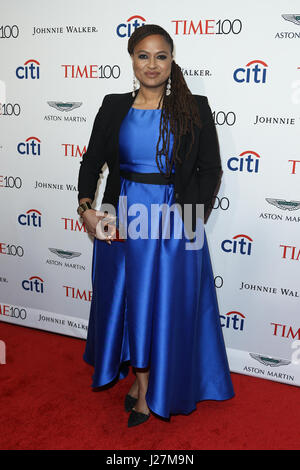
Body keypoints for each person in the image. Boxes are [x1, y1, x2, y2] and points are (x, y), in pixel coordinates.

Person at [77, 24, 234, 427]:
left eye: (160, 56)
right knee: (130, 302)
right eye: (143, 55)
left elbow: (210, 169)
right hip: (125, 219)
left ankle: (150, 387)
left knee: (165, 307)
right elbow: (92, 161)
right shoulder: (114, 106)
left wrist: (190, 223)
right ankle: (142, 384)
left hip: (175, 221)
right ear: (132, 59)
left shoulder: (194, 107)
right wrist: (87, 207)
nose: (152, 64)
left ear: (171, 61)